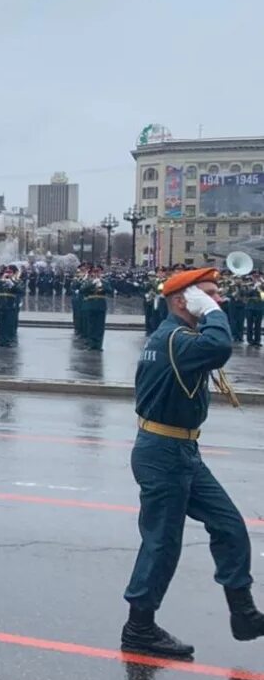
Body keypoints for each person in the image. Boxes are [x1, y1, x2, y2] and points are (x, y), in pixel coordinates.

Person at [122, 268, 264, 659]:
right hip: (163, 453)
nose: (218, 301)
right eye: (209, 295)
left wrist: (207, 307)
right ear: (184, 301)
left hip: (182, 451)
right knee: (162, 543)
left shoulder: (174, 337)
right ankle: (139, 629)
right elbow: (220, 347)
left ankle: (243, 613)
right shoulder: (178, 339)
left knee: (229, 525)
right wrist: (212, 313)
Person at [0, 266, 23, 348]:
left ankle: (10, 341)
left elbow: (21, 291)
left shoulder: (17, 281)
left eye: (10, 272)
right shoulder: (0, 281)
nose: (8, 274)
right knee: (0, 325)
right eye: (6, 272)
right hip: (0, 305)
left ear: (14, 273)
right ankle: (0, 341)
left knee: (10, 324)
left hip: (11, 305)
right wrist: (1, 280)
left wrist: (12, 284)